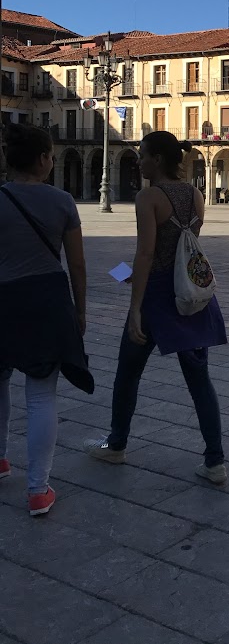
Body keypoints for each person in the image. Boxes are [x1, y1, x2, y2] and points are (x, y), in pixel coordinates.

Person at [84, 131, 228, 483]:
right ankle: (215, 462)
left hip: (156, 300)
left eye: (143, 155)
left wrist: (135, 308)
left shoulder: (148, 196)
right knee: (200, 381)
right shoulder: (196, 195)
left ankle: (116, 445)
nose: (139, 161)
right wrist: (125, 273)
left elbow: (148, 253)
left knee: (128, 374)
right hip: (190, 297)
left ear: (158, 159)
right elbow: (181, 251)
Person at [0, 123, 92, 517]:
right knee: (40, 396)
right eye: (52, 155)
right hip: (47, 301)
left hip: (3, 298)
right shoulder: (62, 202)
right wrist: (81, 310)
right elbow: (77, 263)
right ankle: (38, 490)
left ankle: (0, 460)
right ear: (42, 159)